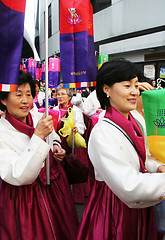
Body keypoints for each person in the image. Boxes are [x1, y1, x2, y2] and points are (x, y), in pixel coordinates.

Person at [77, 59, 165, 240]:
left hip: (141, 199)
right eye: (127, 85)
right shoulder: (102, 132)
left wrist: (157, 167)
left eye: (135, 84)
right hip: (114, 207)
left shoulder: (133, 118)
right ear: (106, 89)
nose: (134, 92)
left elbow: (140, 155)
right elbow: (129, 185)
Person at [0, 71, 79, 240]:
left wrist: (57, 147)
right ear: (3, 99)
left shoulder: (38, 117)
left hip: (55, 188)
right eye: (18, 94)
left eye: (29, 94)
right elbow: (18, 175)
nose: (25, 100)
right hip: (25, 199)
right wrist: (38, 136)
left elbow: (53, 136)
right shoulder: (2, 131)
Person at [53, 84, 90, 204]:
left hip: (72, 144)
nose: (60, 96)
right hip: (58, 145)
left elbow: (82, 128)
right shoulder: (54, 110)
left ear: (69, 96)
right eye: (58, 94)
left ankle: (75, 196)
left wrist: (76, 129)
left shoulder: (75, 110)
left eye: (63, 94)